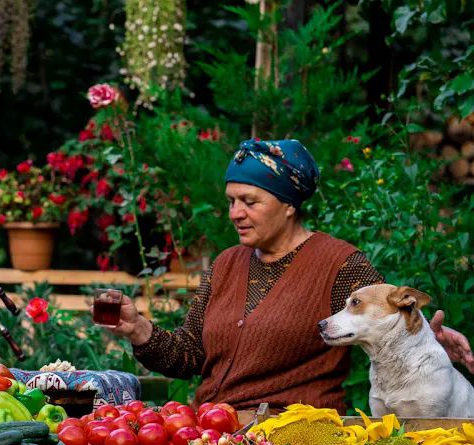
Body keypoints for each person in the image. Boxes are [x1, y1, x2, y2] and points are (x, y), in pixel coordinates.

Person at [101, 138, 474, 412]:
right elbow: (190, 355)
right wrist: (139, 329)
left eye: (250, 201)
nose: (235, 213)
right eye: (231, 201)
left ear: (289, 205)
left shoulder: (339, 264)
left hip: (296, 441)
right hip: (212, 433)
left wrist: (426, 339)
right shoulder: (225, 264)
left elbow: (386, 317)